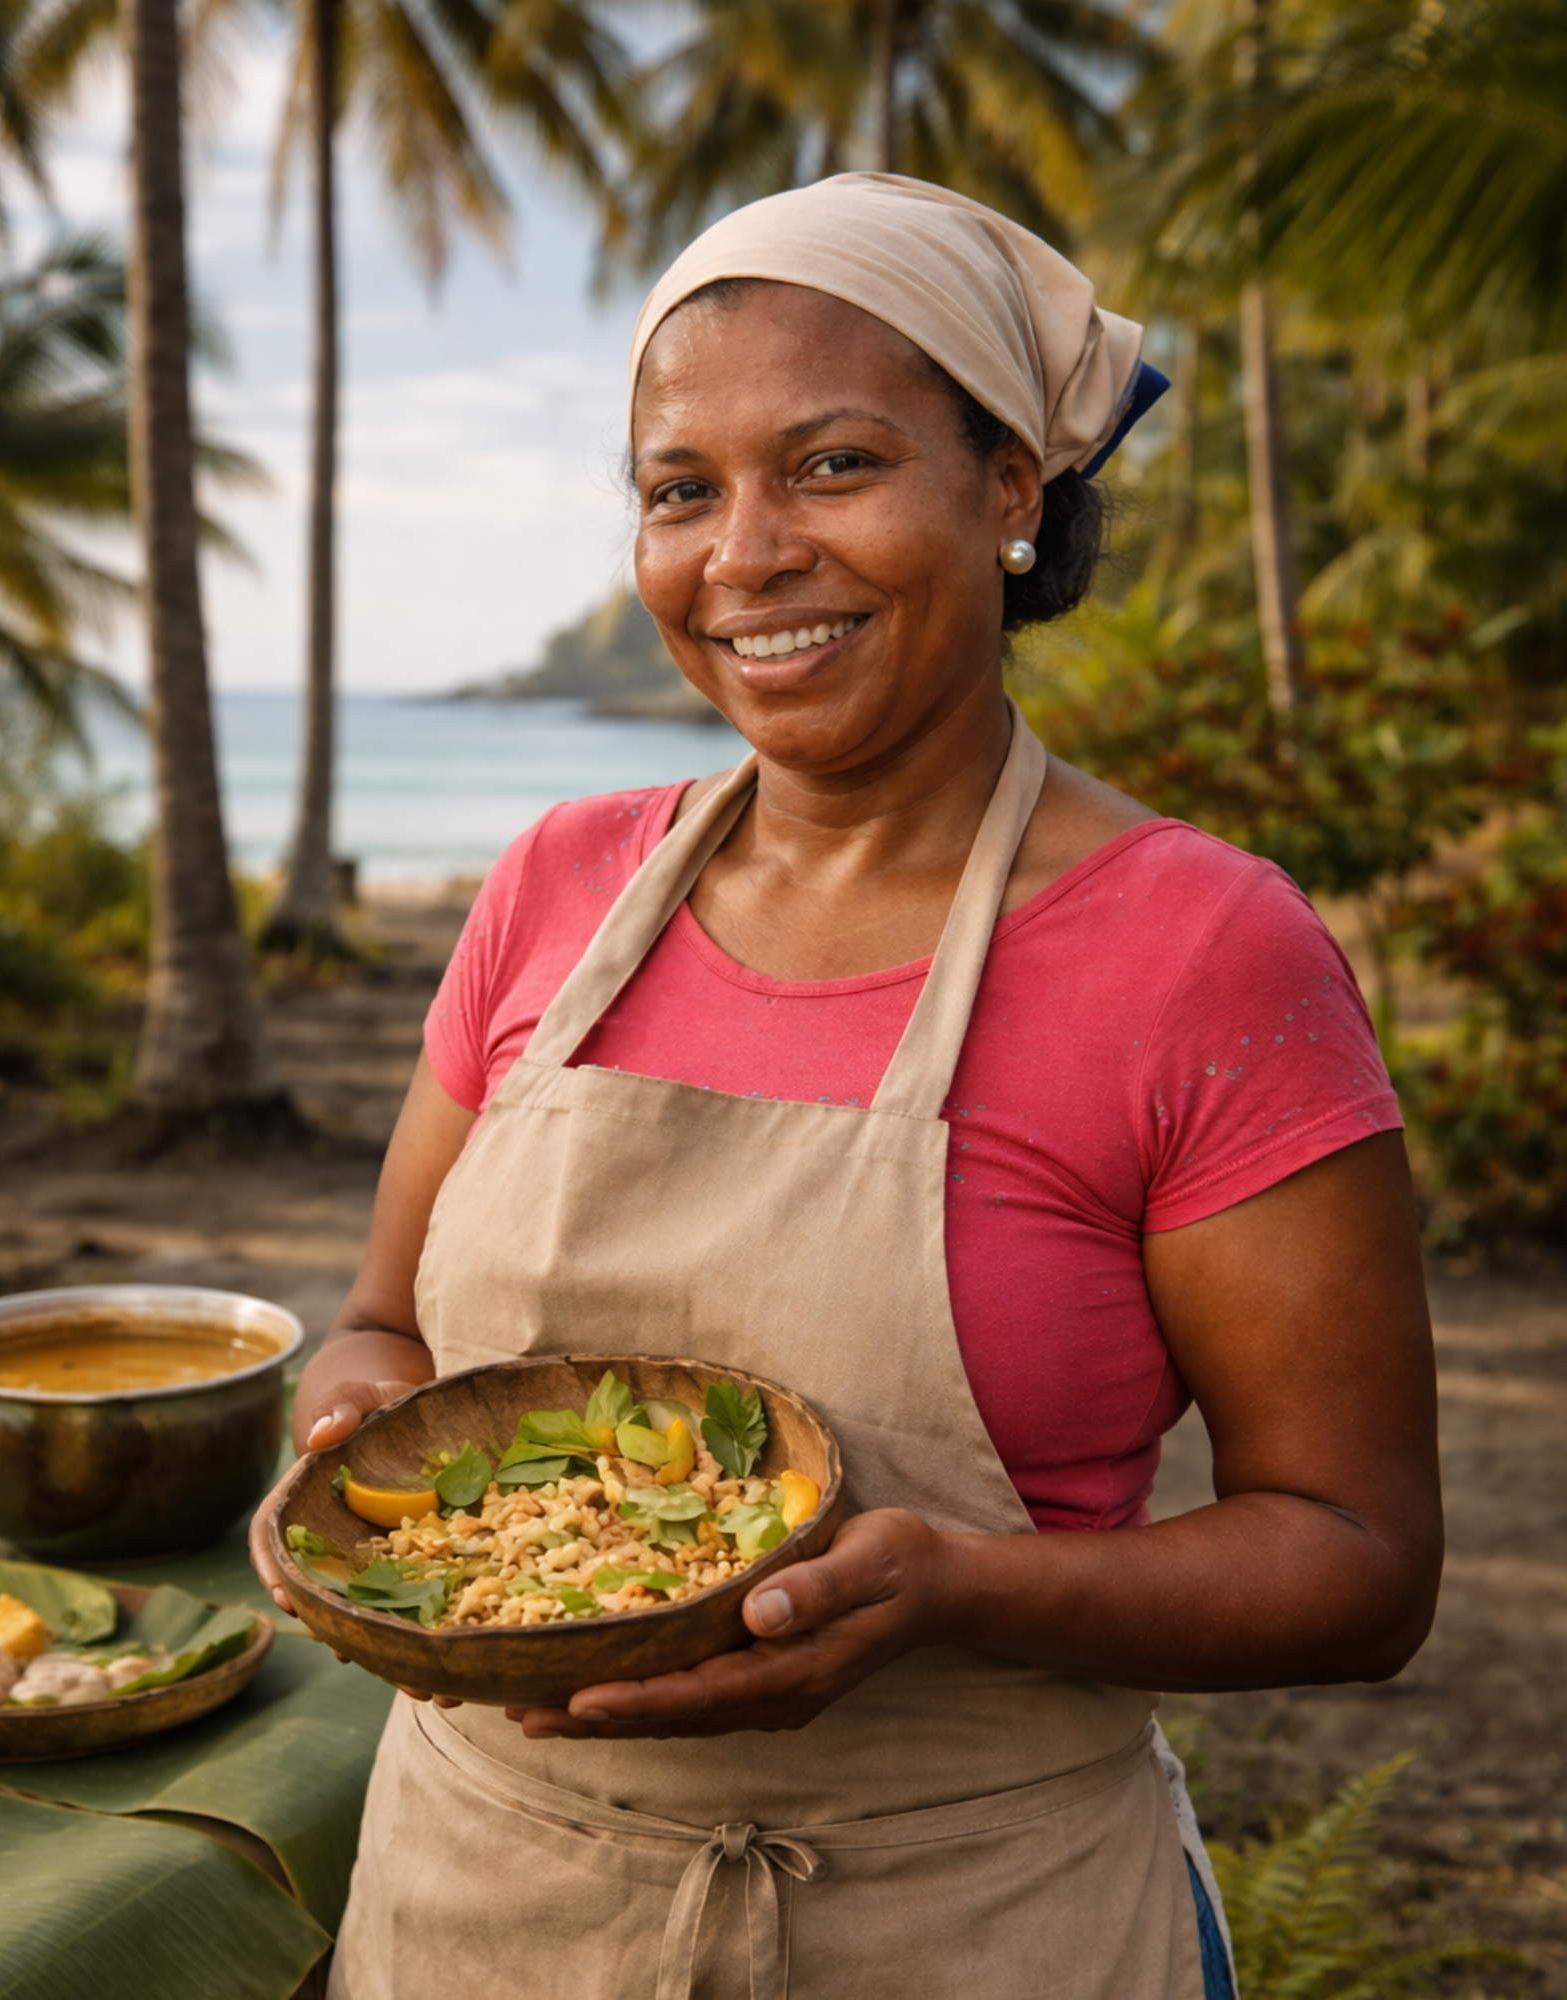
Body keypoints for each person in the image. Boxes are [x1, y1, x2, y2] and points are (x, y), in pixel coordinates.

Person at [252, 173, 1442, 2000]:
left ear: (1011, 493)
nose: (745, 554)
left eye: (832, 465)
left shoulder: (1203, 954)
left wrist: (964, 1591)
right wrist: (360, 1445)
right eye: (680, 489)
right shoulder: (556, 890)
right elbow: (380, 1327)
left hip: (971, 1922)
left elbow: (1358, 1561)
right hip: (482, 1911)